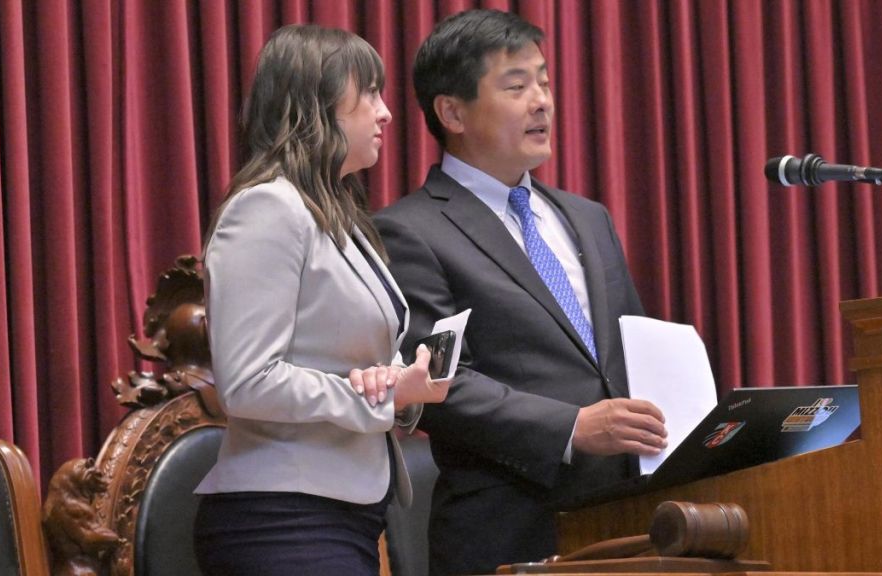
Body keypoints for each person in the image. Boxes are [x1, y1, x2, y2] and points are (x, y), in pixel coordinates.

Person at [374, 9, 668, 576]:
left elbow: (632, 348)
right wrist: (571, 427)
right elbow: (439, 380)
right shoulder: (409, 230)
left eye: (545, 82)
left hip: (630, 520)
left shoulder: (587, 217)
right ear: (452, 111)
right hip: (509, 529)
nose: (541, 101)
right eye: (516, 86)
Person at [192, 24, 448, 576]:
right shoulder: (266, 208)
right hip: (280, 520)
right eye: (370, 92)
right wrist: (375, 398)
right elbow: (248, 382)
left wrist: (400, 383)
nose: (385, 113)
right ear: (317, 106)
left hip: (345, 512)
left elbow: (345, 360)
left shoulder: (337, 214)